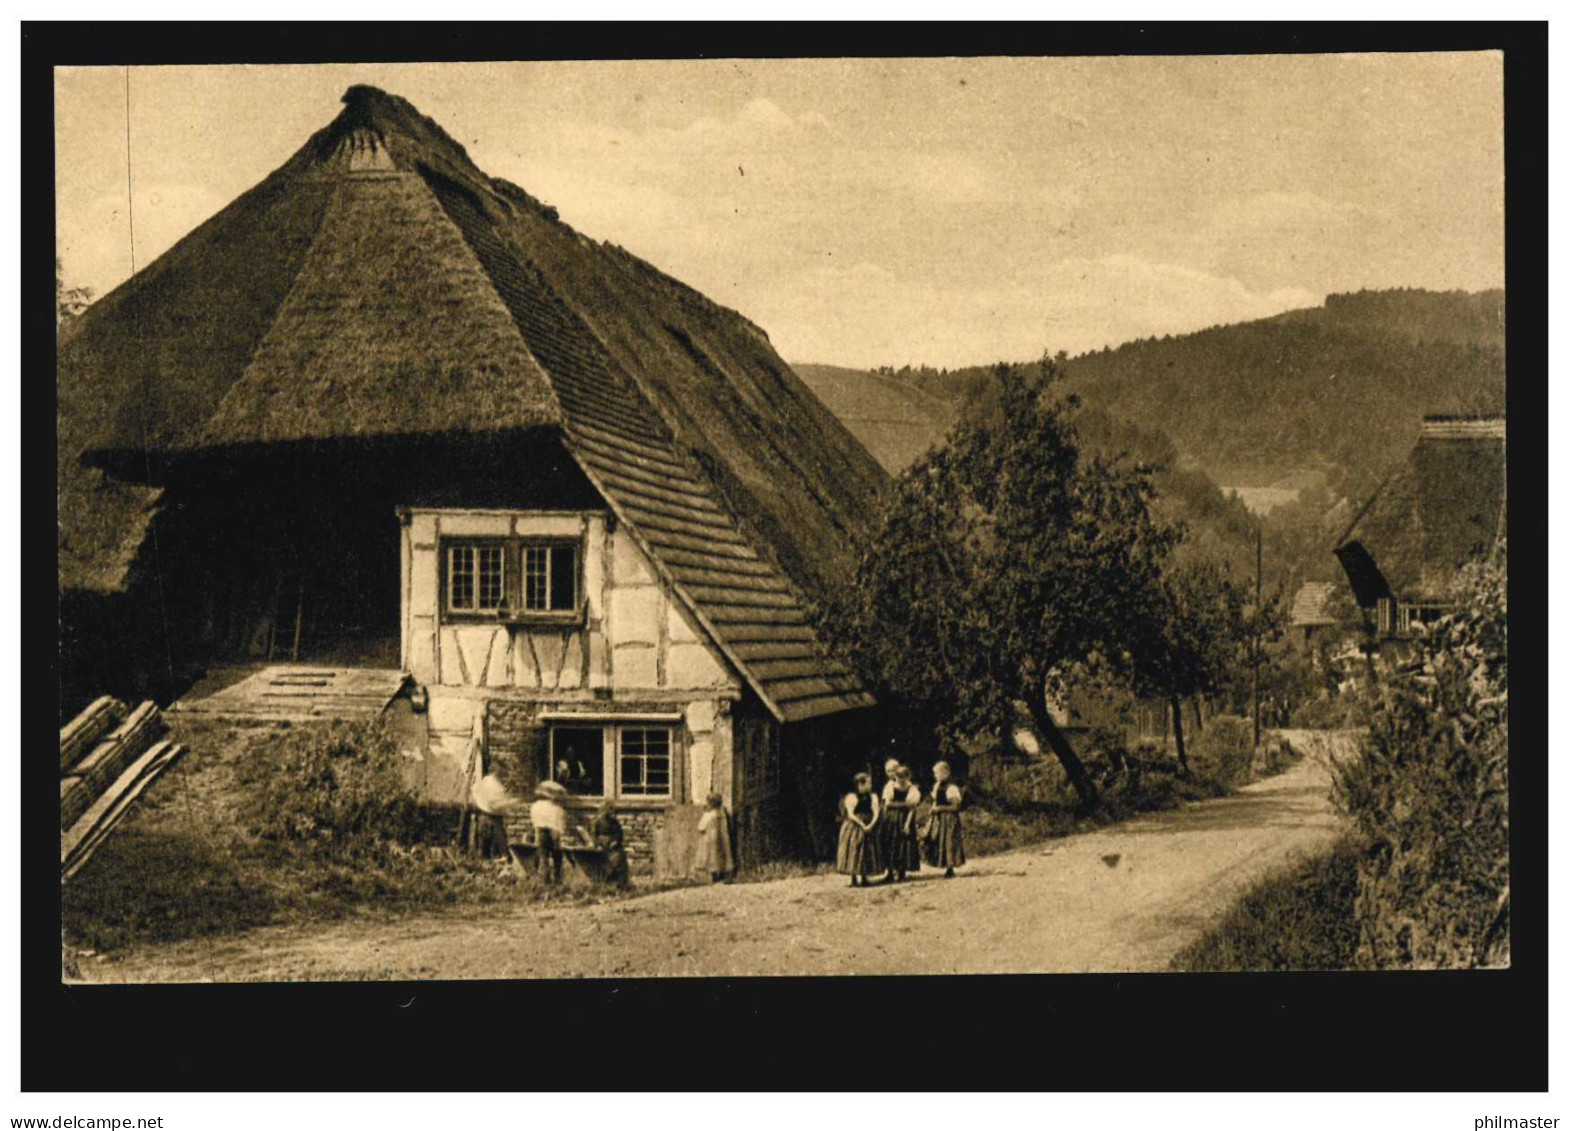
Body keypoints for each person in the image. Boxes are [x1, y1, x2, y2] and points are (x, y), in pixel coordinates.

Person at [836, 772, 882, 887]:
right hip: (854, 825)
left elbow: (876, 812)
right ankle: (853, 877)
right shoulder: (852, 797)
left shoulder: (873, 797)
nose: (870, 785)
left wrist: (871, 824)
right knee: (854, 850)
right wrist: (862, 825)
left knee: (866, 851)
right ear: (860, 785)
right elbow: (851, 814)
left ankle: (864, 877)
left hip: (869, 822)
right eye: (868, 783)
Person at [923, 761, 966, 878]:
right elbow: (935, 801)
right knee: (939, 841)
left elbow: (955, 807)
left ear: (946, 773)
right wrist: (932, 810)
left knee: (949, 842)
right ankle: (943, 864)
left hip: (949, 819)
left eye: (937, 773)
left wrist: (940, 808)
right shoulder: (937, 786)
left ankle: (950, 868)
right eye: (935, 773)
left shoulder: (952, 788)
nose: (935, 776)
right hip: (939, 818)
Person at [880, 763, 922, 883]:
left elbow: (912, 808)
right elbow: (887, 804)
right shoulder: (890, 786)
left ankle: (901, 872)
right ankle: (889, 872)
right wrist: (903, 804)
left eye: (903, 779)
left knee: (903, 845)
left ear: (908, 777)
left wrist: (908, 824)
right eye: (898, 779)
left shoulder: (912, 789)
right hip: (891, 819)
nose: (900, 782)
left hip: (904, 819)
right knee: (890, 842)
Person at [530, 780, 569, 884]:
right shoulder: (557, 808)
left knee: (543, 858)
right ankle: (557, 879)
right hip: (554, 832)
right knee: (557, 857)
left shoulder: (535, 806)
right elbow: (560, 824)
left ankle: (545, 880)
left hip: (540, 832)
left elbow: (535, 822)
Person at [591, 799, 630, 890]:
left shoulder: (615, 823)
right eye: (610, 811)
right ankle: (605, 882)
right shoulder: (598, 822)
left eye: (613, 811)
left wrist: (615, 842)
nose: (613, 814)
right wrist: (597, 842)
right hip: (602, 845)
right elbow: (594, 834)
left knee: (618, 858)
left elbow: (619, 834)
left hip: (614, 846)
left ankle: (620, 883)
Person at [696, 792, 734, 883]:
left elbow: (701, 827)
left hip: (711, 839)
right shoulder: (723, 814)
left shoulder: (708, 815)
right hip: (723, 837)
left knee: (712, 857)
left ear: (710, 804)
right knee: (724, 854)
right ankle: (725, 874)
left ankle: (715, 876)